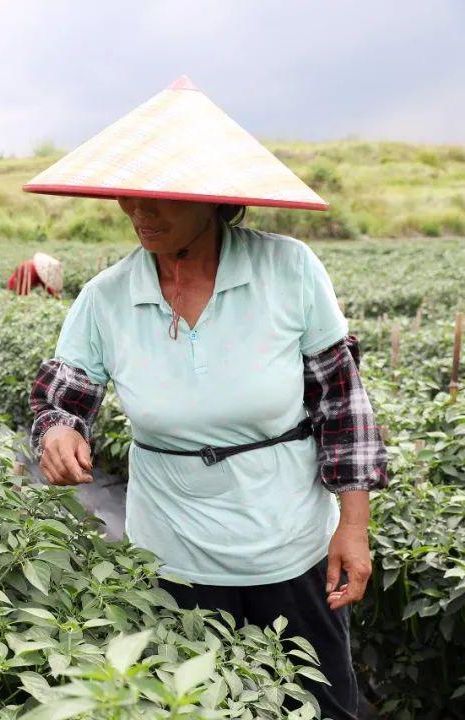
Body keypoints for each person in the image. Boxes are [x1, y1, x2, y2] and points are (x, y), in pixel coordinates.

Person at [24, 76, 388, 720]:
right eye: (128, 199)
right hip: (173, 556)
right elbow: (64, 395)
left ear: (214, 198)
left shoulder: (289, 269)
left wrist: (353, 529)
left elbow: (342, 403)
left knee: (317, 705)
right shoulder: (107, 297)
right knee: (190, 703)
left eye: (160, 199)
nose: (141, 214)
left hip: (288, 546)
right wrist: (58, 431)